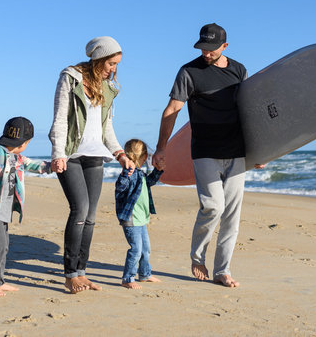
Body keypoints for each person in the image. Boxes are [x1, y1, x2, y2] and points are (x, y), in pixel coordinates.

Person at [152, 24, 261, 288]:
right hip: (205, 151)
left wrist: (260, 149)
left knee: (232, 215)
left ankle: (222, 270)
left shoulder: (239, 70)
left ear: (224, 46)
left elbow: (249, 111)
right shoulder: (189, 71)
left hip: (236, 151)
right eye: (202, 47)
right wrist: (162, 147)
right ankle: (197, 256)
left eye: (211, 48)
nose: (206, 53)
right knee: (213, 206)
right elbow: (172, 109)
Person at [49, 36, 135, 294]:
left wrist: (120, 154)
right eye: (111, 63)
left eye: (117, 64)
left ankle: (82, 272)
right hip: (71, 154)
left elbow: (106, 126)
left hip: (95, 155)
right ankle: (70, 274)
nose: (114, 69)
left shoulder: (107, 88)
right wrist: (57, 153)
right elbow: (60, 118)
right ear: (98, 59)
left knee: (91, 217)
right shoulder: (70, 78)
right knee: (80, 210)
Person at [0, 116, 51, 297]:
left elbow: (34, 165)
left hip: (5, 210)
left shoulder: (18, 158)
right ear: (24, 142)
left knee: (4, 246)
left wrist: (51, 166)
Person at [114, 139, 163, 289]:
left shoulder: (139, 173)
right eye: (145, 155)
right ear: (140, 156)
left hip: (141, 218)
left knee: (145, 249)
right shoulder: (129, 173)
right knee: (136, 249)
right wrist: (125, 175)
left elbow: (149, 182)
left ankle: (144, 274)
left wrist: (158, 171)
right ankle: (128, 278)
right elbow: (120, 187)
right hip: (131, 218)